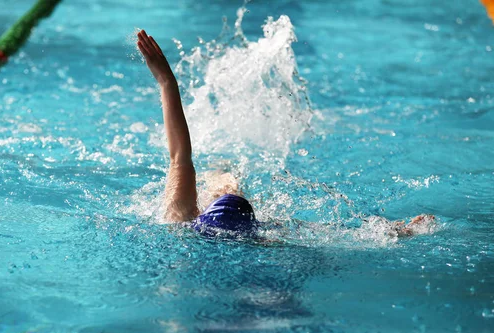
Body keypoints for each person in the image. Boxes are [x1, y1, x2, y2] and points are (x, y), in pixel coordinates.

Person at [136, 30, 434, 238]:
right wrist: (403, 230)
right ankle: (226, 177)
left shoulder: (179, 223)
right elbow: (347, 235)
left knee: (220, 179)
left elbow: (180, 157)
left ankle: (224, 176)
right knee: (225, 181)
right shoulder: (266, 236)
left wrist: (166, 80)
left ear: (201, 216)